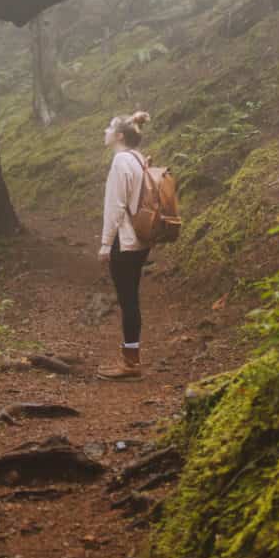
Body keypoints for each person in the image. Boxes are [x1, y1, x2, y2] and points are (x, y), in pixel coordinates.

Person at [98, 109, 152, 379]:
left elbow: (116, 207)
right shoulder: (138, 158)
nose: (104, 132)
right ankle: (131, 357)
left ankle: (131, 364)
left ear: (119, 135)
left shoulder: (121, 161)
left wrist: (106, 244)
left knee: (127, 300)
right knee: (131, 298)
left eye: (109, 128)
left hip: (125, 240)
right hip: (141, 240)